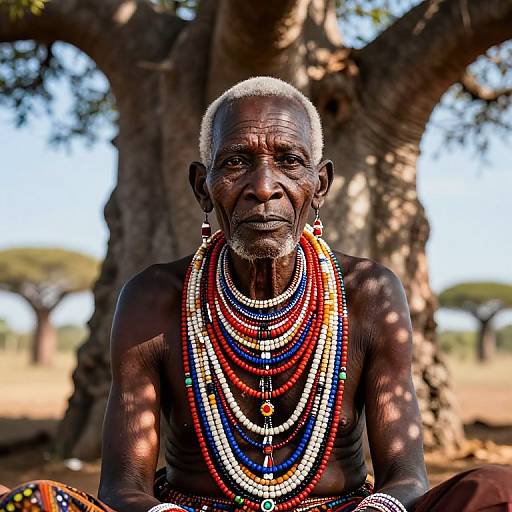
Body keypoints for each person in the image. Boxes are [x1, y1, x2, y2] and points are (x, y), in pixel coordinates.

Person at [1, 77, 511, 512]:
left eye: (289, 161)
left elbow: (407, 477)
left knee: (496, 490)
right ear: (203, 187)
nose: (263, 186)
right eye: (237, 162)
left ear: (321, 183)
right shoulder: (153, 300)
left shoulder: (369, 294)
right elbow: (122, 489)